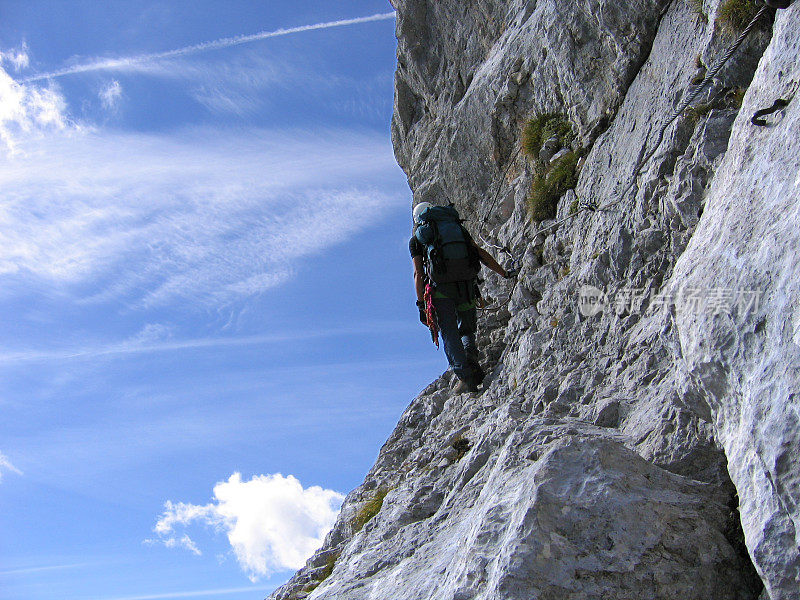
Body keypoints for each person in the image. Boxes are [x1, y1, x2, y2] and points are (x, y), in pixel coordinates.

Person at [410, 202, 516, 393]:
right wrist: (504, 273)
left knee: (449, 333)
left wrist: (421, 305)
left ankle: (465, 377)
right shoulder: (457, 228)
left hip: (441, 291)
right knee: (466, 328)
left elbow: (418, 273)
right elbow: (480, 253)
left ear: (419, 220)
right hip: (467, 286)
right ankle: (472, 360)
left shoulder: (419, 238)